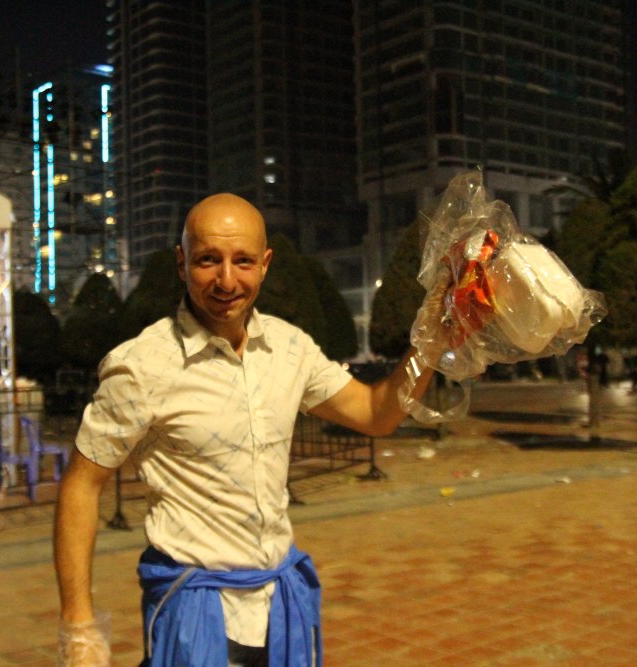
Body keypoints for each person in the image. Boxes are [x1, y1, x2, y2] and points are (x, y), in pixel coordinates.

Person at [53, 193, 435, 666]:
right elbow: (82, 484)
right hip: (195, 610)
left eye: (243, 261)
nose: (227, 281)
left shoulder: (290, 349)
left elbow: (377, 413)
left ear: (265, 264)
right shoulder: (141, 366)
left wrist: (433, 339)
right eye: (208, 260)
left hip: (280, 607)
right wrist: (79, 625)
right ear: (181, 263)